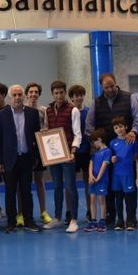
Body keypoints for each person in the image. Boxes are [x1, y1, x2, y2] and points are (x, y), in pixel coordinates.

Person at [85, 73, 138, 225]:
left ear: (116, 83)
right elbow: (89, 126)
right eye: (106, 87)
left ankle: (131, 217)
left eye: (112, 85)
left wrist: (133, 131)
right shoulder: (96, 103)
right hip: (106, 151)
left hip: (126, 149)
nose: (110, 89)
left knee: (130, 186)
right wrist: (96, 143)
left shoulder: (130, 98)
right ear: (101, 87)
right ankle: (112, 215)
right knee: (109, 184)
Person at [0, 84, 42, 233]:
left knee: (27, 191)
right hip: (9, 160)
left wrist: (37, 157)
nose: (17, 98)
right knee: (10, 191)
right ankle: (11, 222)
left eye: (20, 94)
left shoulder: (33, 114)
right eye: (14, 95)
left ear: (24, 96)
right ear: (9, 97)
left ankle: (29, 220)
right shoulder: (1, 115)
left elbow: (37, 136)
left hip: (27, 158)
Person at [45, 80, 82, 233]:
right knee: (57, 186)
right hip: (54, 155)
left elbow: (77, 133)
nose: (59, 95)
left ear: (65, 93)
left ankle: (73, 219)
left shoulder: (73, 110)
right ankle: (58, 218)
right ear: (52, 94)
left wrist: (73, 151)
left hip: (68, 155)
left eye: (61, 92)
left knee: (70, 186)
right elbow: (47, 131)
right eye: (56, 93)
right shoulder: (48, 110)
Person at [25, 82, 52, 227]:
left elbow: (47, 127)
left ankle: (43, 211)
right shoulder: (21, 109)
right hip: (26, 150)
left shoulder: (43, 110)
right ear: (27, 94)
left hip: (39, 149)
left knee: (39, 181)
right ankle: (23, 213)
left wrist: (44, 132)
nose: (33, 94)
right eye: (31, 92)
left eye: (36, 92)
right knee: (24, 183)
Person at [109, 116, 138, 231]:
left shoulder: (132, 141)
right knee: (118, 198)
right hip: (116, 175)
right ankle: (120, 220)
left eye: (121, 126)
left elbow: (136, 155)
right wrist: (112, 159)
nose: (119, 129)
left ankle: (130, 220)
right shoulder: (113, 143)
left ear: (126, 127)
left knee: (129, 198)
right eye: (116, 128)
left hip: (128, 174)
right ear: (114, 130)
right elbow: (111, 157)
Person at [68, 84, 91, 221]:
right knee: (70, 183)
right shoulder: (69, 111)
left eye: (81, 94)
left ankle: (90, 211)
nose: (79, 97)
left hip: (86, 151)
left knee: (88, 181)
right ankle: (69, 212)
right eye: (76, 95)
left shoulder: (88, 111)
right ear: (71, 97)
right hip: (72, 151)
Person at [86, 128, 111, 233]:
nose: (93, 144)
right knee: (92, 200)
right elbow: (91, 164)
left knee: (101, 201)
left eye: (94, 141)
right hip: (93, 180)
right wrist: (90, 176)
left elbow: (104, 165)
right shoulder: (95, 152)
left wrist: (98, 178)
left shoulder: (107, 151)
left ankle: (102, 221)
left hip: (101, 180)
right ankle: (93, 220)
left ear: (99, 139)